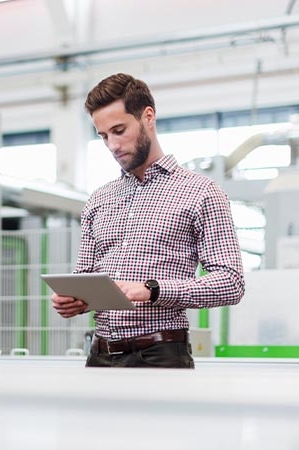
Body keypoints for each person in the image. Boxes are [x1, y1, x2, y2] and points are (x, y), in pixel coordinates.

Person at [51, 73, 245, 368]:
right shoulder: (99, 200)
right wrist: (73, 300)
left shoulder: (201, 192)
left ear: (148, 117)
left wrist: (154, 290)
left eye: (119, 130)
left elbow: (231, 282)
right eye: (103, 136)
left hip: (161, 354)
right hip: (100, 354)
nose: (113, 145)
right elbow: (85, 277)